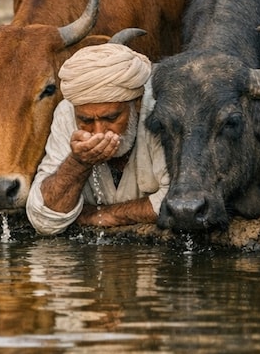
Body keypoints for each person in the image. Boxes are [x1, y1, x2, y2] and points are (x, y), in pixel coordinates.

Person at [26, 43, 169, 235]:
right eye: (86, 121)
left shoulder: (158, 110)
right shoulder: (66, 113)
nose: (99, 132)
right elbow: (43, 220)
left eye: (111, 118)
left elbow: (180, 201)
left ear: (136, 103)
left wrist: (102, 215)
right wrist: (78, 163)